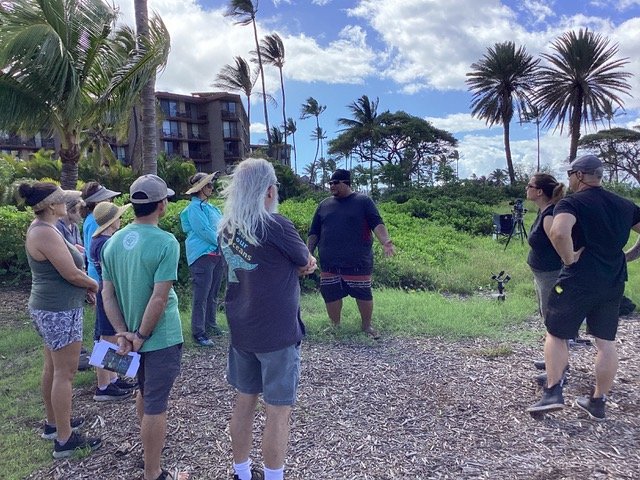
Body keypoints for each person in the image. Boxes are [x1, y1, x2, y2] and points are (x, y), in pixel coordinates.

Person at [218, 158, 316, 480]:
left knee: (244, 401)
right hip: (277, 332)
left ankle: (242, 472)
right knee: (278, 410)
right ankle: (274, 476)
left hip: (241, 329)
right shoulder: (277, 225)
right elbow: (305, 261)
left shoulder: (227, 228)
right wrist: (304, 263)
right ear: (269, 190)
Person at [527, 155, 640, 421]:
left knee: (556, 333)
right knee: (605, 342)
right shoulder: (624, 204)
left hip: (578, 279)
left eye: (569, 174)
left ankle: (553, 391)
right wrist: (628, 255)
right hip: (613, 281)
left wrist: (569, 259)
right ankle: (597, 401)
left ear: (578, 175)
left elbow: (559, 232)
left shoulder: (571, 202)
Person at [101, 175, 187, 480]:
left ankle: (149, 450)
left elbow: (107, 294)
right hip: (160, 337)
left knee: (144, 391)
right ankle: (153, 471)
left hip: (128, 336)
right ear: (162, 205)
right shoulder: (166, 242)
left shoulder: (111, 243)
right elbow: (160, 297)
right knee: (155, 403)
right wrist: (141, 336)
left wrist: (124, 332)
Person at [19, 182, 101, 458]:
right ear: (52, 206)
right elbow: (72, 274)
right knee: (64, 374)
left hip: (51, 308)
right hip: (58, 311)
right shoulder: (45, 232)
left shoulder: (44, 229)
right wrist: (95, 286)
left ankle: (55, 424)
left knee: (53, 368)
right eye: (63, 200)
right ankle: (65, 440)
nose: (67, 204)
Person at [307, 169, 395, 339]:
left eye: (336, 183)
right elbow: (314, 232)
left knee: (363, 293)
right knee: (330, 293)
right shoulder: (324, 205)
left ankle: (367, 326)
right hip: (329, 261)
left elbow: (377, 223)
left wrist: (386, 241)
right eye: (330, 183)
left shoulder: (363, 201)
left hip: (357, 261)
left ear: (346, 183)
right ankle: (335, 325)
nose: (332, 186)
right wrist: (308, 252)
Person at [90, 202, 136, 402]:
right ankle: (103, 386)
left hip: (106, 292)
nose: (121, 220)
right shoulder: (106, 243)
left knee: (110, 336)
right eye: (118, 217)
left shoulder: (98, 240)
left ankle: (113, 378)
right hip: (109, 294)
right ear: (111, 222)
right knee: (106, 338)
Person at [525, 173, 565, 385]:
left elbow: (559, 243)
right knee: (547, 317)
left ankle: (559, 370)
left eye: (529, 185)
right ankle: (554, 361)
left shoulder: (549, 214)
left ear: (539, 191)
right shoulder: (544, 211)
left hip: (551, 275)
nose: (526, 189)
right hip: (542, 275)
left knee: (554, 323)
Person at [180, 171, 225, 347]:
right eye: (208, 185)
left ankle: (211, 325)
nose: (211, 187)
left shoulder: (211, 207)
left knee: (212, 293)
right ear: (200, 188)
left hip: (216, 254)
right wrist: (222, 243)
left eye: (211, 184)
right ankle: (198, 332)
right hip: (202, 255)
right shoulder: (194, 208)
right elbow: (204, 231)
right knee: (201, 295)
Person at [81, 181, 120, 283]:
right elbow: (96, 252)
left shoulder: (90, 218)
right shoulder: (95, 221)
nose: (110, 201)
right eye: (107, 199)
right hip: (99, 276)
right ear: (97, 203)